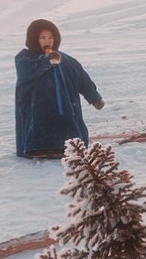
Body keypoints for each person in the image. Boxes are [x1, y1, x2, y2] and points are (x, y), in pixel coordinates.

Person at [14, 19, 104, 159]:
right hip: (38, 119)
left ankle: (68, 147)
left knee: (70, 133)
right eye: (43, 38)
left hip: (66, 115)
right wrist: (46, 60)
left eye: (51, 37)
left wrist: (94, 97)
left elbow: (82, 79)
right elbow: (27, 72)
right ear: (33, 39)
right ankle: (40, 149)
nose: (47, 41)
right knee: (39, 131)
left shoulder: (67, 60)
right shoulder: (24, 59)